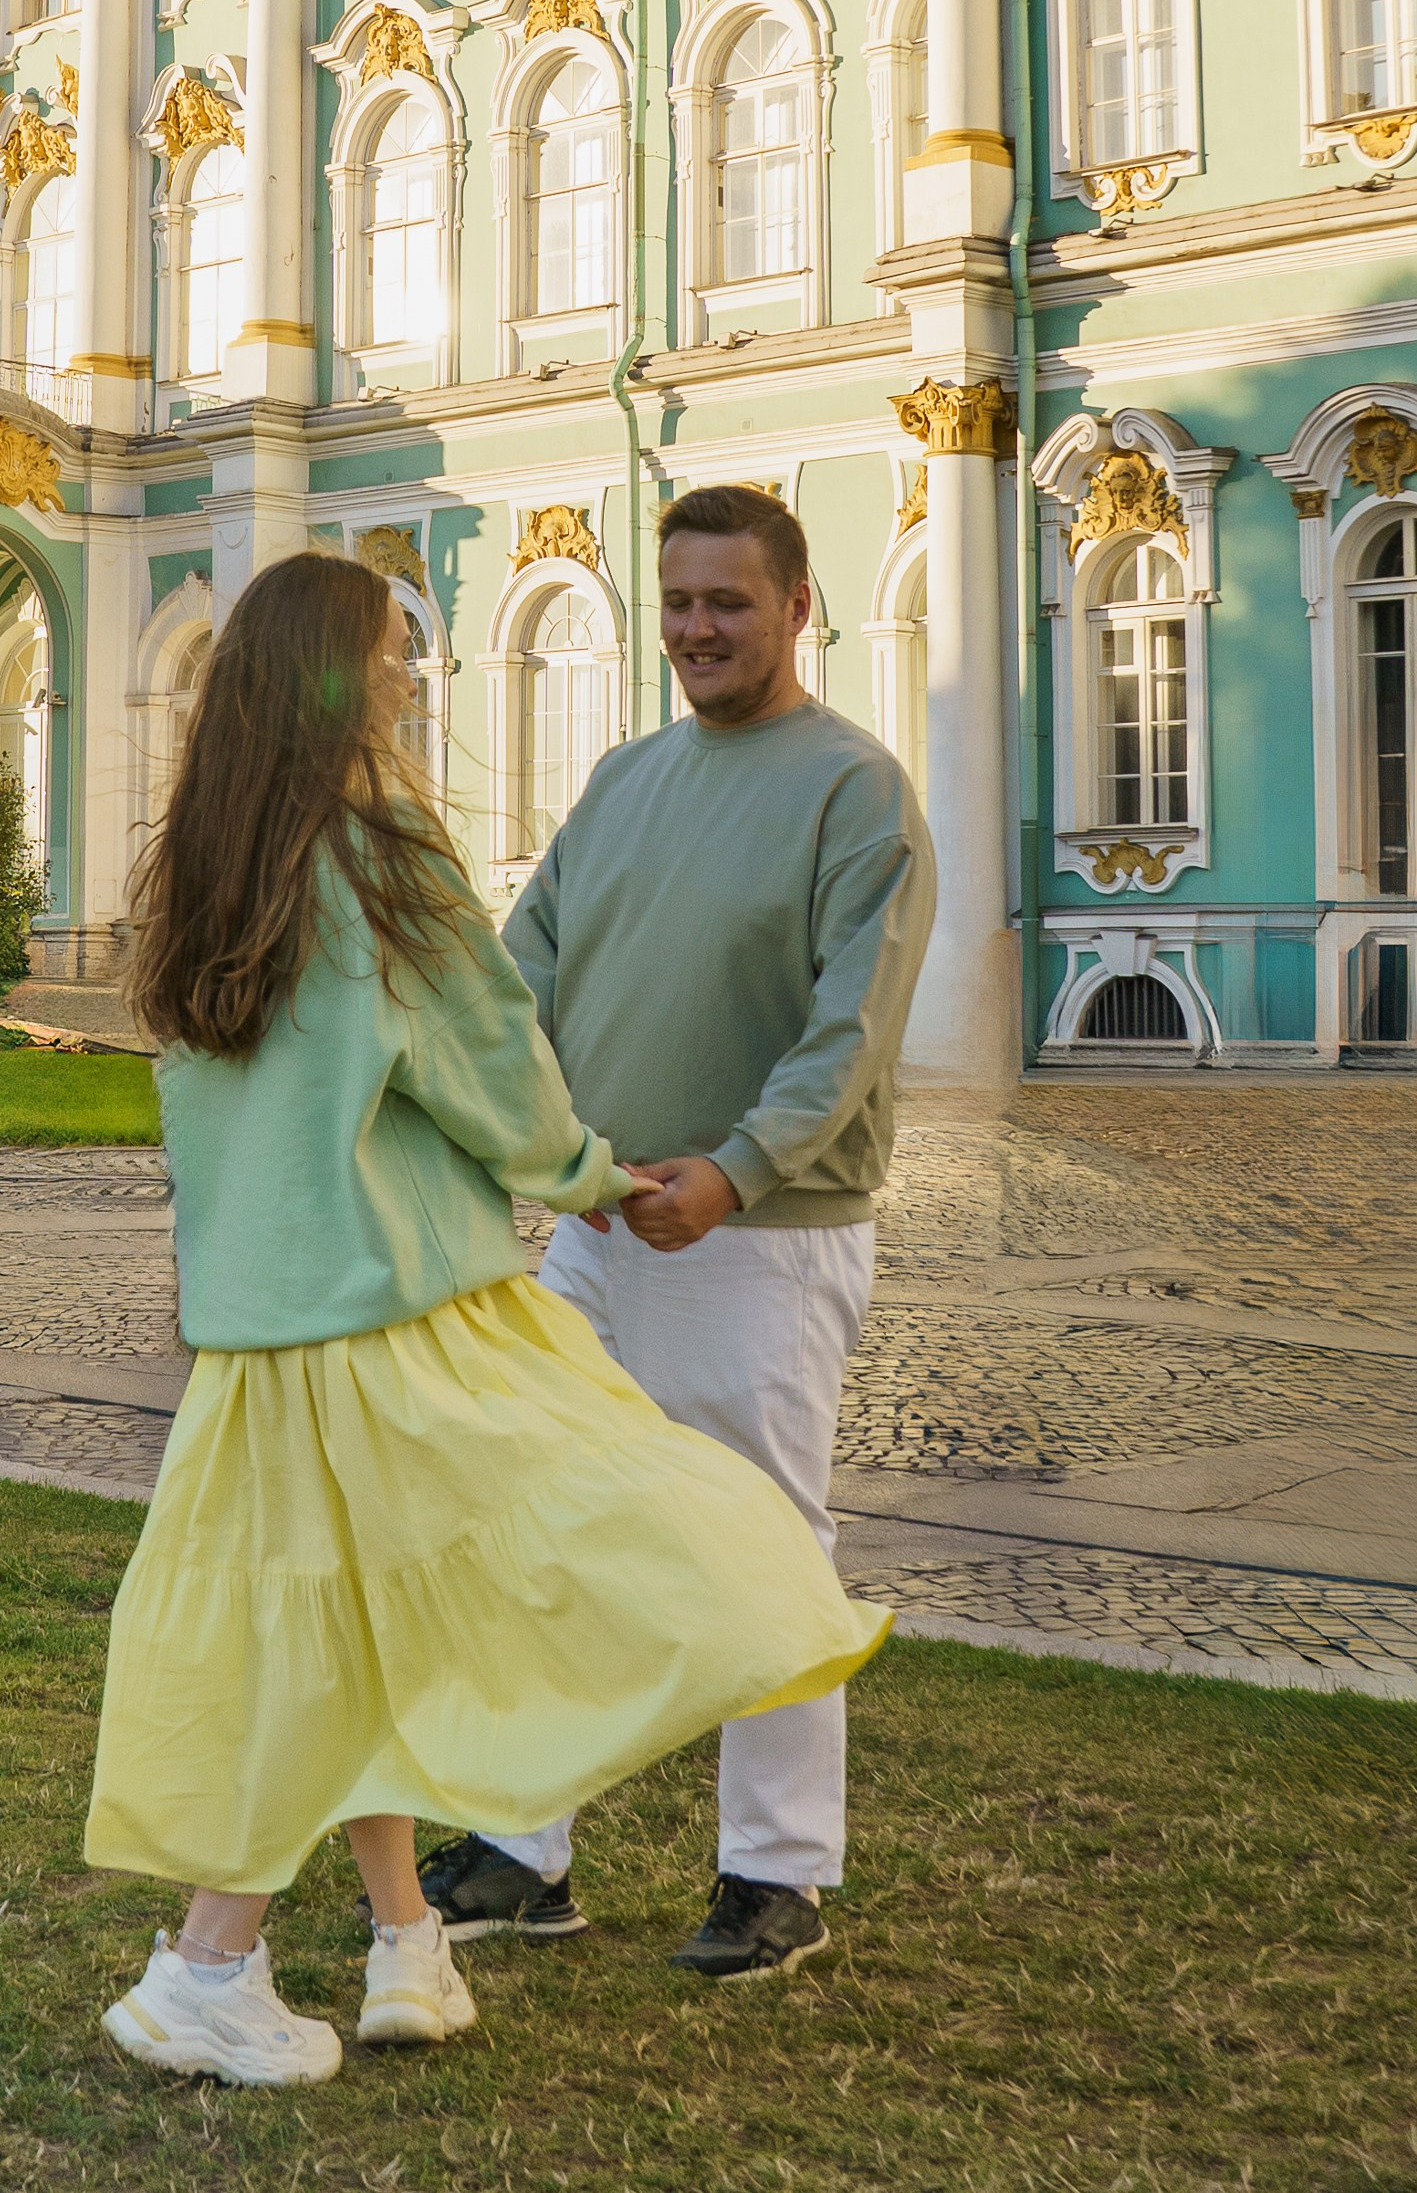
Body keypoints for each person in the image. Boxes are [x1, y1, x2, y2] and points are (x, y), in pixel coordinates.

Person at [85, 551, 890, 2087]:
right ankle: (204, 1966)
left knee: (347, 1616)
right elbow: (490, 1064)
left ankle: (409, 1943)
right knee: (635, 1522)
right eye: (396, 652)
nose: (409, 675)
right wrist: (588, 1176)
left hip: (259, 1330)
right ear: (340, 680)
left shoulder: (202, 860)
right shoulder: (381, 852)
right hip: (398, 1309)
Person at [417, 483, 935, 1981]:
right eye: (682, 603)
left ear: (794, 609)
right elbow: (522, 982)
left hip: (760, 1240)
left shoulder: (856, 791)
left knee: (760, 1549)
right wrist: (478, 1111)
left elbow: (853, 1032)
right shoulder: (626, 780)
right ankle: (524, 1848)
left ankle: (776, 1876)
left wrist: (735, 1172)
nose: (701, 628)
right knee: (541, 1514)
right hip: (594, 1225)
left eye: (731, 602)